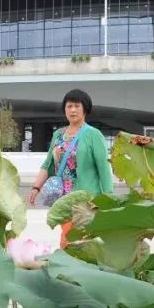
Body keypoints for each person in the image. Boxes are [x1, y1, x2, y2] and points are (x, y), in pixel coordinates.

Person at [29, 89, 114, 246]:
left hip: (85, 200)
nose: (72, 110)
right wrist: (36, 187)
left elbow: (104, 169)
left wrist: (108, 198)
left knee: (79, 240)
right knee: (68, 237)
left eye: (76, 106)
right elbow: (47, 164)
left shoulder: (94, 135)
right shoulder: (58, 135)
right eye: (69, 106)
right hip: (63, 198)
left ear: (85, 109)